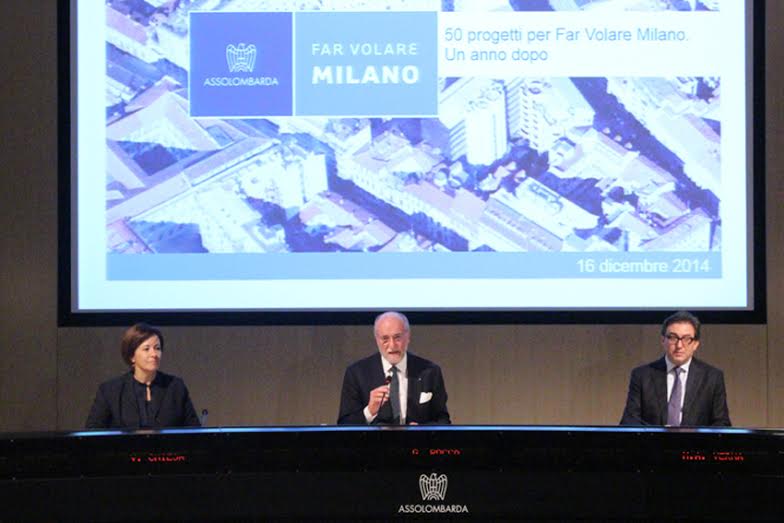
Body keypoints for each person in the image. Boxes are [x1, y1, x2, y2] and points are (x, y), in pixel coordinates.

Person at [620, 311, 731, 427]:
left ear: (696, 344)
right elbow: (629, 421)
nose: (679, 345)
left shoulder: (712, 378)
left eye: (686, 339)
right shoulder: (642, 375)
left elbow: (721, 424)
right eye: (673, 338)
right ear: (663, 340)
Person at [338, 311, 450, 425]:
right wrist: (369, 411)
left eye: (397, 338)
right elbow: (344, 425)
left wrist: (422, 430)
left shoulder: (430, 371)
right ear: (377, 340)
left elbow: (443, 421)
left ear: (408, 337)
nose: (392, 345)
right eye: (385, 339)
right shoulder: (356, 373)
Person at [85, 323, 200, 429]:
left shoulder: (176, 387)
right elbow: (92, 432)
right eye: (146, 349)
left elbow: (194, 431)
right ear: (132, 356)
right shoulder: (110, 391)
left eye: (157, 348)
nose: (154, 354)